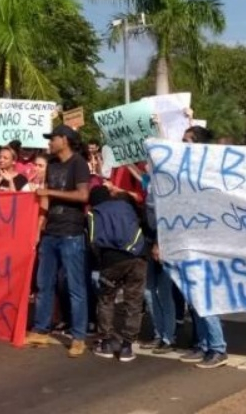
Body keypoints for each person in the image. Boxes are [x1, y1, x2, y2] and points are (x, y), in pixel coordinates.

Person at [26, 124, 91, 358]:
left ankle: (78, 337)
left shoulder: (79, 164)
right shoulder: (52, 166)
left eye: (52, 139)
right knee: (44, 285)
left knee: (75, 287)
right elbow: (45, 200)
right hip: (50, 233)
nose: (49, 143)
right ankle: (40, 330)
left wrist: (50, 194)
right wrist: (39, 229)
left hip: (71, 233)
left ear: (65, 140)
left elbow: (83, 195)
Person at [177, 125, 230, 369]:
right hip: (188, 241)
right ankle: (202, 343)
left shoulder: (209, 173)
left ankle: (217, 347)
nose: (182, 144)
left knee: (205, 296)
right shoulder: (183, 171)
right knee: (194, 299)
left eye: (187, 141)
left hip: (206, 244)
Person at [89, 186, 147, 363]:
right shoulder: (125, 206)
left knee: (106, 299)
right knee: (133, 302)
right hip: (136, 257)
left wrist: (100, 262)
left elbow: (93, 242)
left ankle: (106, 343)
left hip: (110, 261)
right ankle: (127, 347)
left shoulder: (94, 213)